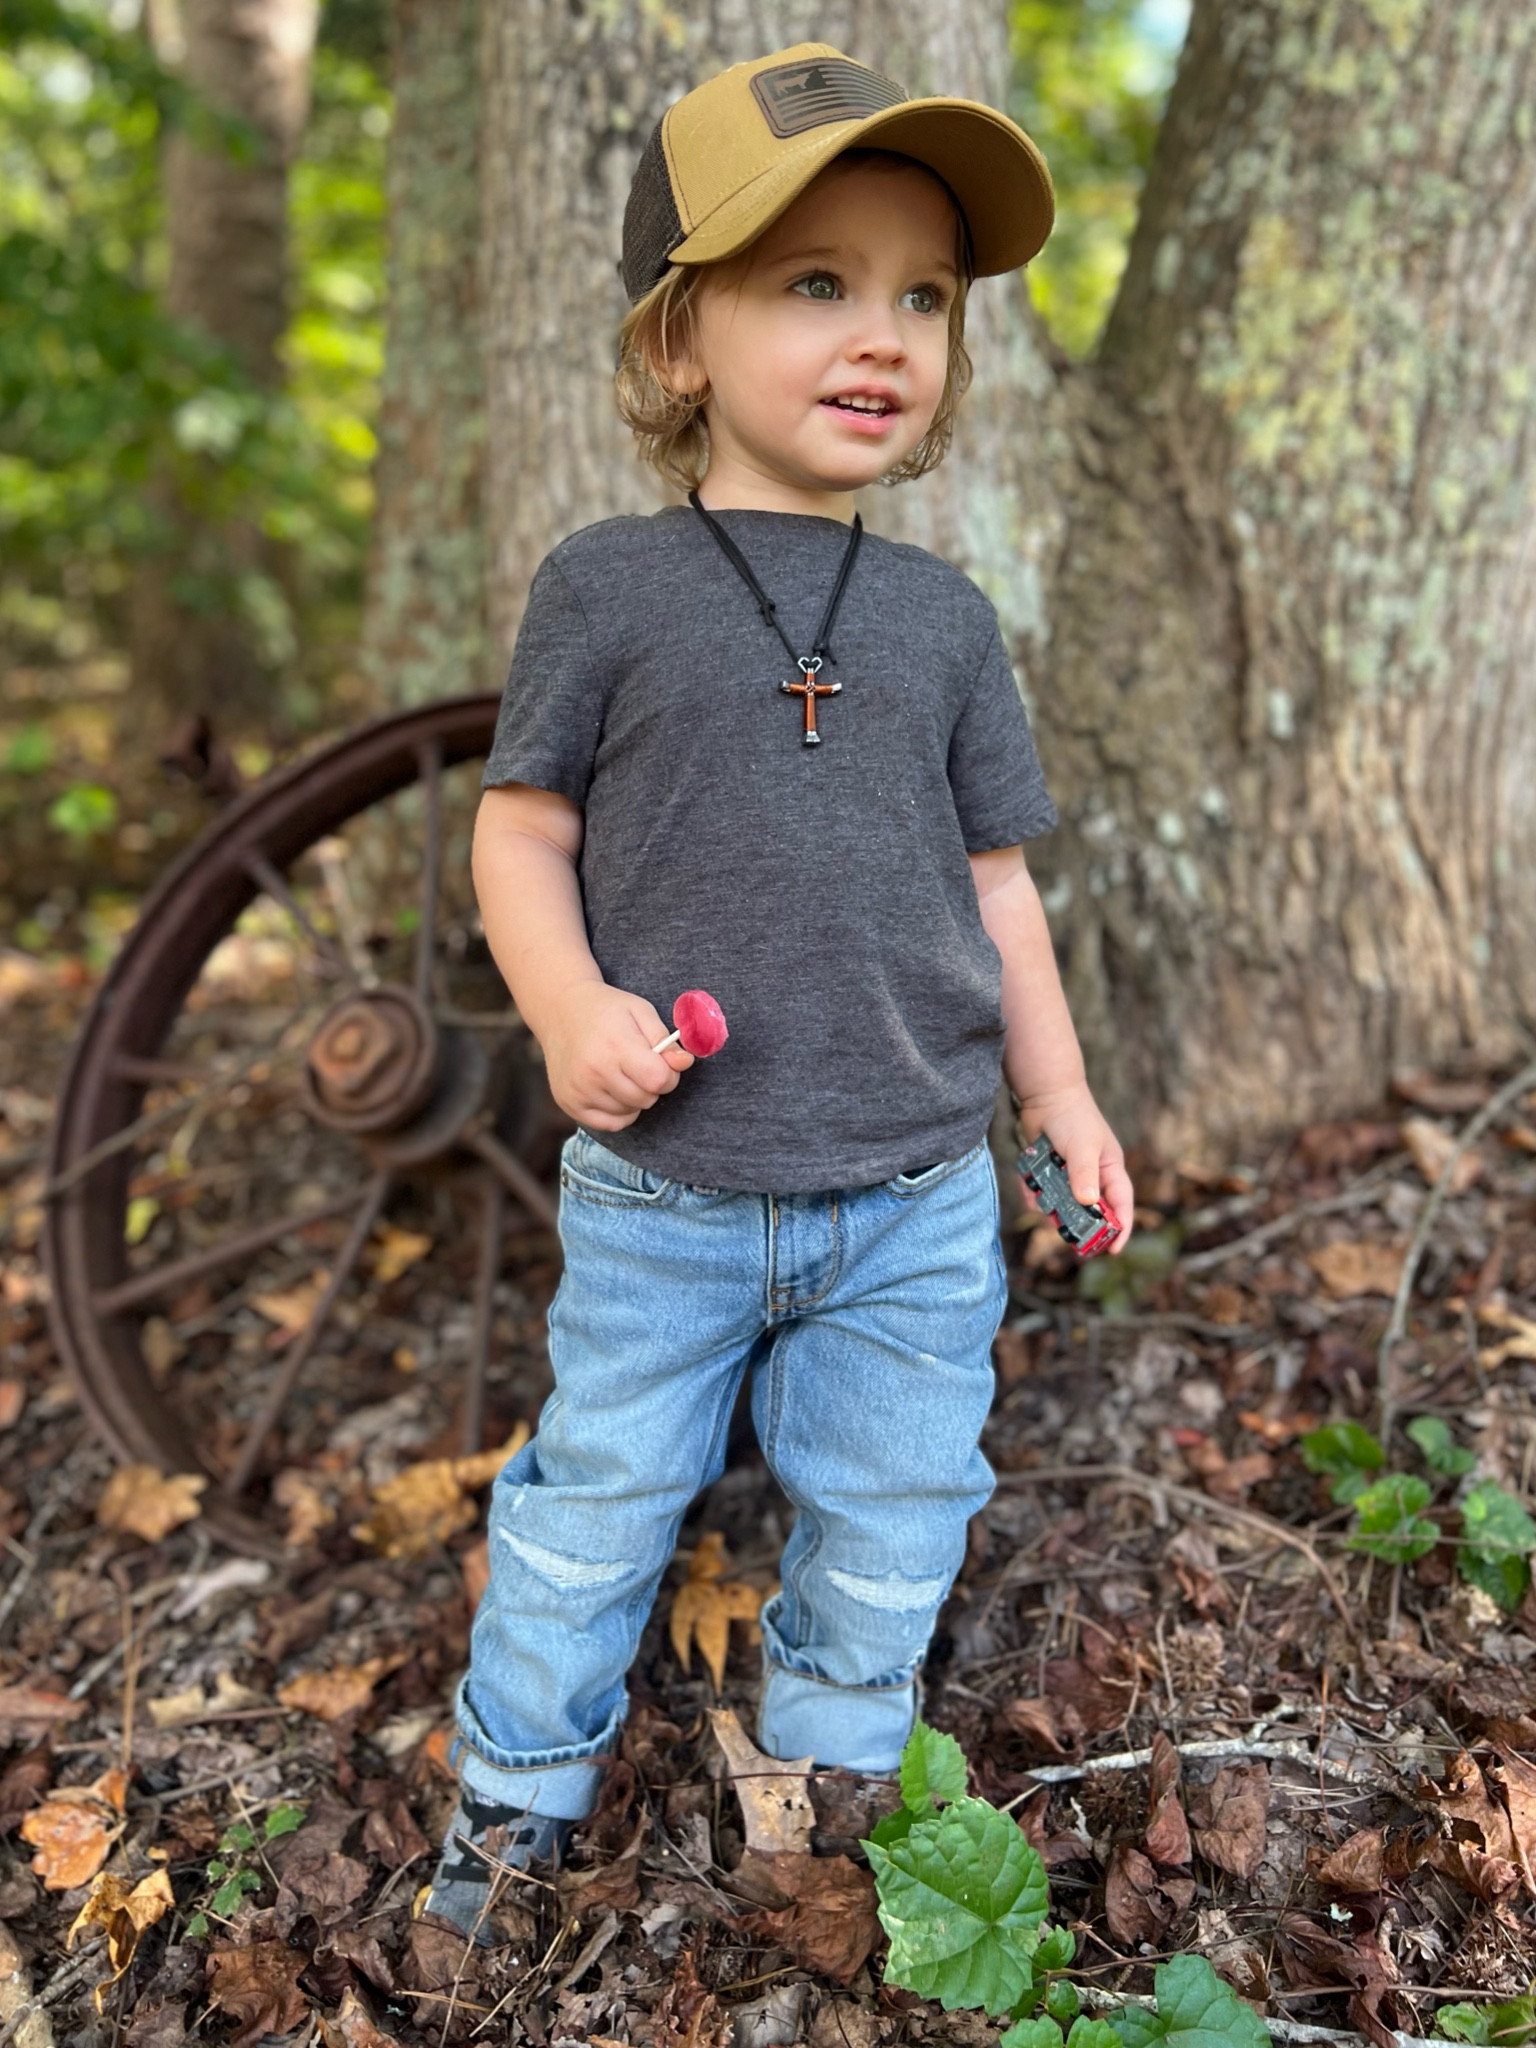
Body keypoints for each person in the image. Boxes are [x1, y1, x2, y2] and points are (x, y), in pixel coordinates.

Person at [424, 40, 1135, 1939]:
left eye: (920, 294)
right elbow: (519, 835)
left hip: (911, 1197)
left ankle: (818, 1794)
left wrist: (1054, 1097)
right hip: (671, 1194)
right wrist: (571, 1008)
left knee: (896, 1507)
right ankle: (510, 1803)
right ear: (680, 341)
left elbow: (997, 890)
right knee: (593, 1508)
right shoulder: (609, 589)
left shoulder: (940, 623)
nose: (880, 332)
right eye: (815, 282)